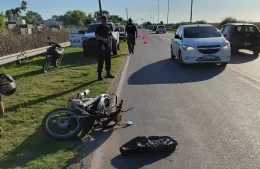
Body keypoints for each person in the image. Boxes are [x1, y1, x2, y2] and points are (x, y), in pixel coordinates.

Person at [95, 15, 114, 81]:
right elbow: (97, 37)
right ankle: (99, 75)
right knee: (101, 61)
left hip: (108, 47)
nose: (104, 22)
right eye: (103, 21)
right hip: (101, 47)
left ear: (107, 20)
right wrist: (103, 39)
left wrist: (110, 45)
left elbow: (110, 36)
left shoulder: (108, 27)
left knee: (108, 61)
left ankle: (108, 74)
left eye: (105, 20)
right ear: (101, 20)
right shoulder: (98, 27)